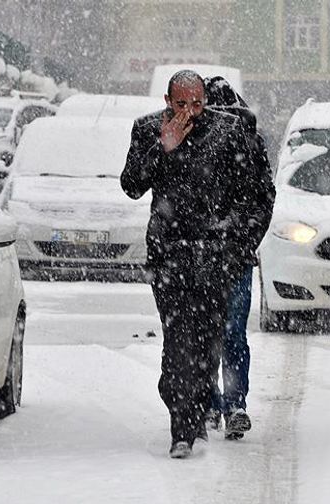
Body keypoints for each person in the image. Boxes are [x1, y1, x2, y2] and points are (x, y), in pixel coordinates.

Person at [121, 70, 274, 459]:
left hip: (215, 258)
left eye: (197, 103)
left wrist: (239, 244)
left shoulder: (228, 132)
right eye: (181, 103)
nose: (189, 112)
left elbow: (257, 195)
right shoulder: (148, 129)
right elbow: (132, 184)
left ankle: (198, 408)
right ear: (167, 100)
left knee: (207, 344)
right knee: (177, 342)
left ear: (206, 100)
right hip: (170, 257)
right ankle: (182, 428)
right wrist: (163, 147)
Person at [201, 76, 275, 441]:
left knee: (223, 332)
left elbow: (263, 199)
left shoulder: (246, 143)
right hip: (216, 256)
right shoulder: (243, 142)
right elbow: (264, 200)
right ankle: (220, 402)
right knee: (219, 333)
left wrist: (241, 238)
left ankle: (229, 403)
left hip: (229, 256)